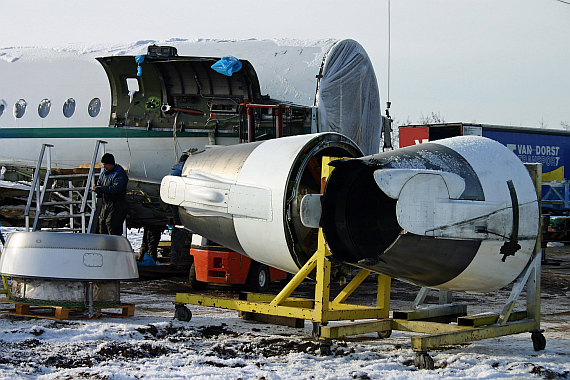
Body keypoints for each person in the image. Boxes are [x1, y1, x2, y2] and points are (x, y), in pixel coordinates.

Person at [92, 153, 129, 236]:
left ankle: (114, 247)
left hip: (116, 204)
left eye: (105, 165)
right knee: (103, 225)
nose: (104, 167)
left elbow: (117, 188)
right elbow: (99, 183)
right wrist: (97, 189)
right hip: (106, 204)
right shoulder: (104, 173)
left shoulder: (119, 173)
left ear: (111, 164)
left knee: (112, 226)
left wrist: (101, 189)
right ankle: (105, 246)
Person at [169, 153, 191, 270]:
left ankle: (174, 260)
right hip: (186, 205)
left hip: (175, 205)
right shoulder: (188, 172)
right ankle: (186, 261)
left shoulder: (173, 172)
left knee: (178, 230)